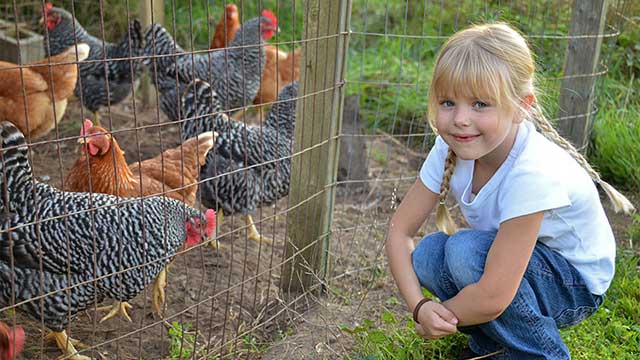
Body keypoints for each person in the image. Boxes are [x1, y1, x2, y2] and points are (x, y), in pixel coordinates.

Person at [385, 23, 635, 360]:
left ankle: (540, 354)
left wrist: (438, 315)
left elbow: (493, 296)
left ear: (521, 106)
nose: (460, 119)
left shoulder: (532, 171)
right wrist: (419, 307)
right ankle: (494, 346)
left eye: (480, 104)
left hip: (575, 284)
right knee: (430, 254)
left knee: (463, 251)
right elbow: (400, 232)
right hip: (520, 267)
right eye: (448, 102)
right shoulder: (448, 148)